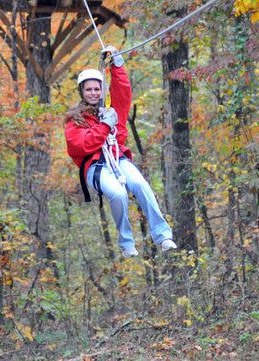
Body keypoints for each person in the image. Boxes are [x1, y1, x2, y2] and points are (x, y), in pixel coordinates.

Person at [64, 47, 177, 258]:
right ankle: (126, 242)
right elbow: (82, 145)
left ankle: (163, 235)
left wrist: (117, 63)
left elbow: (123, 91)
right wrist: (105, 127)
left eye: (97, 89)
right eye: (88, 90)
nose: (93, 93)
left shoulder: (111, 111)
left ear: (102, 90)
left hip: (117, 158)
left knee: (141, 185)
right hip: (95, 167)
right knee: (117, 193)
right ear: (82, 92)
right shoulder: (75, 120)